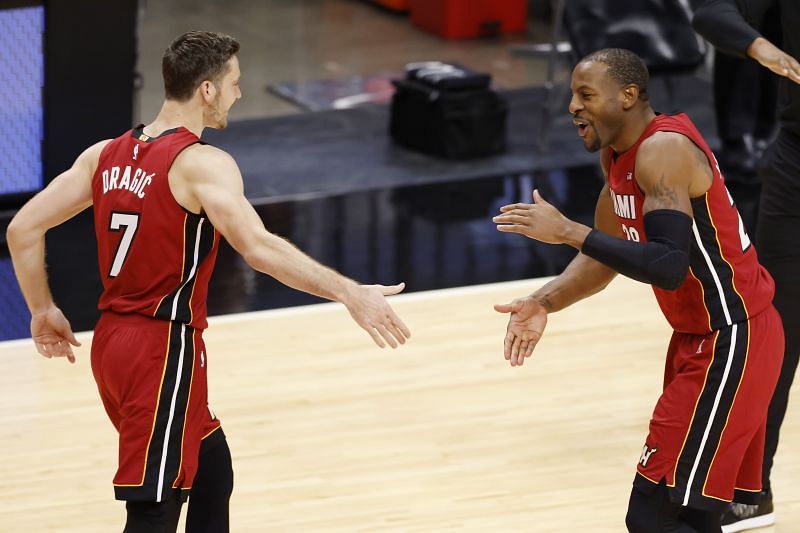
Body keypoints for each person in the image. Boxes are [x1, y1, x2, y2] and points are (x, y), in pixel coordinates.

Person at [5, 31, 410, 533]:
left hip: (112, 346)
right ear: (207, 90)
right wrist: (351, 293)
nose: (239, 94)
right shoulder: (200, 164)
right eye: (234, 83)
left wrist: (42, 309)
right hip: (162, 348)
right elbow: (258, 248)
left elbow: (22, 228)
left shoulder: (103, 155)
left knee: (212, 470)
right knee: (154, 508)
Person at [492, 48, 783, 532]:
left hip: (734, 338)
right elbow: (600, 257)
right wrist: (543, 301)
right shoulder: (620, 158)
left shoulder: (662, 151)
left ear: (628, 96)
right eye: (572, 95)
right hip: (700, 338)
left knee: (654, 513)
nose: (572, 107)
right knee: (690, 512)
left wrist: (567, 229)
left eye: (586, 94)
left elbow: (668, 265)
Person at [693, 2, 800, 530]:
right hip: (797, 164)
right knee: (775, 330)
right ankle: (750, 487)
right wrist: (760, 46)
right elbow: (713, 12)